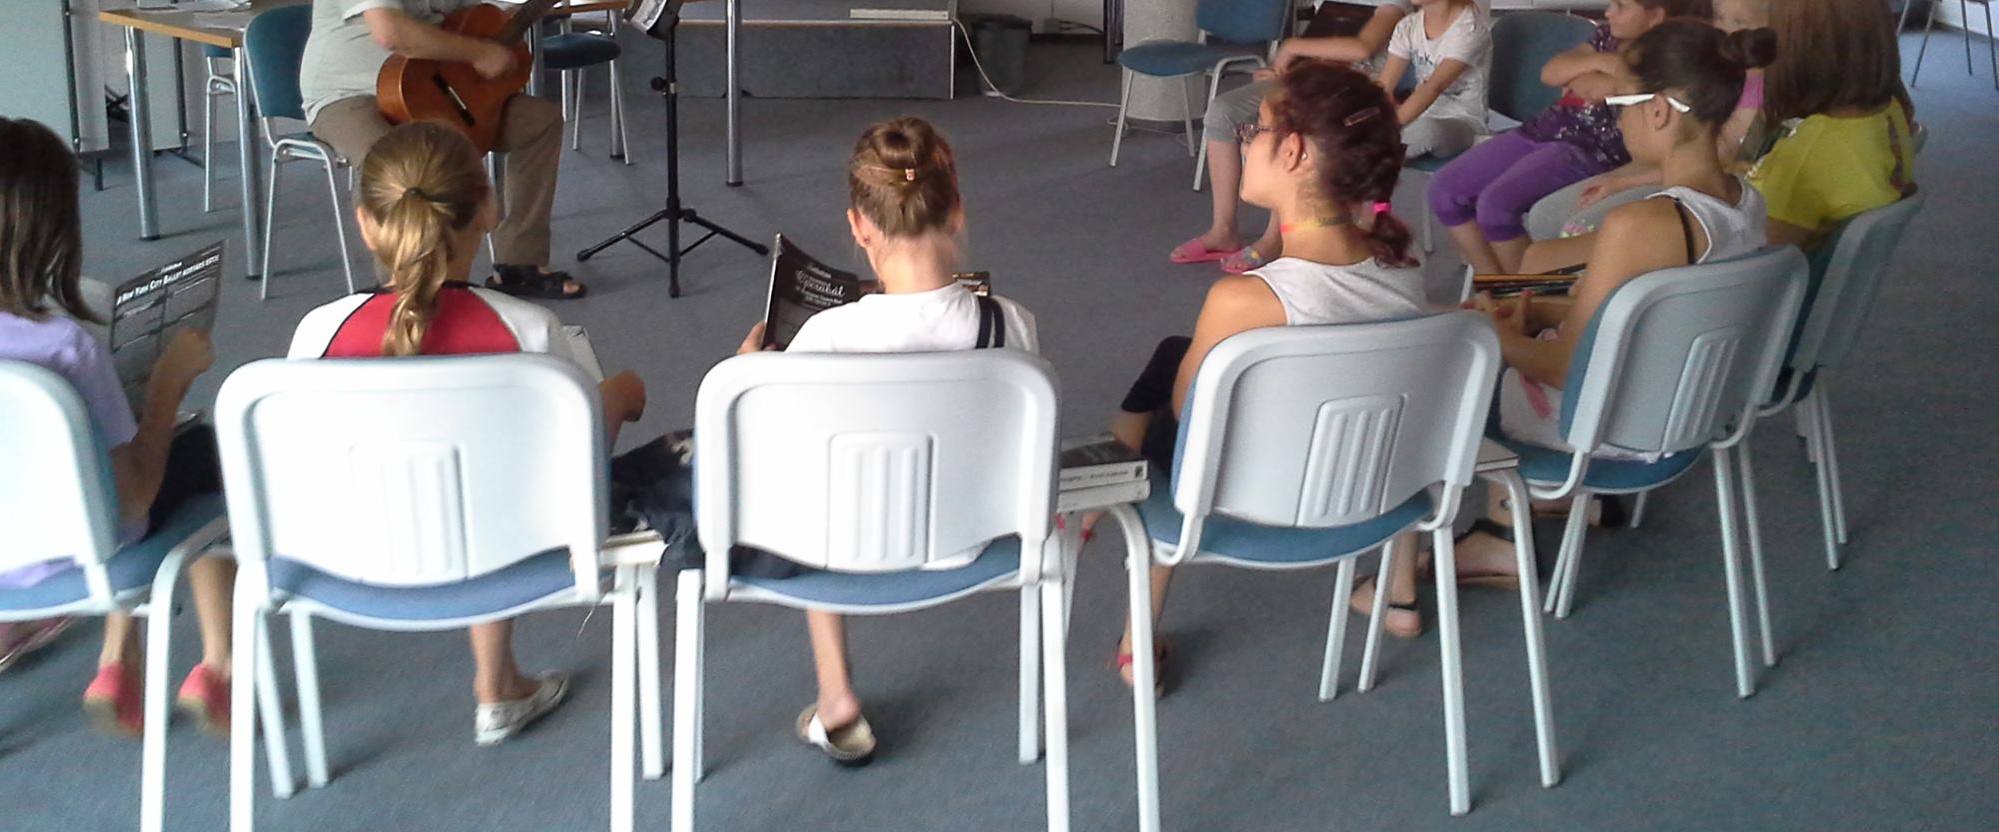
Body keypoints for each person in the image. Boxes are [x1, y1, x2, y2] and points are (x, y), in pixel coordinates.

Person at [1357, 19, 1774, 620]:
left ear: (1659, 112)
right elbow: (1553, 267)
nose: (1614, 119)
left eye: (1619, 105)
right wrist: (1515, 302)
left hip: (1604, 422)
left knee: (1428, 358)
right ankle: (1506, 522)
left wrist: (1495, 332)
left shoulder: (1642, 224)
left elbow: (1564, 367)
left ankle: (1402, 587)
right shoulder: (1741, 202)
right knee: (1481, 307)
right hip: (1678, 406)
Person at [287, 121, 648, 746]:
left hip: (350, 558)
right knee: (500, 474)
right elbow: (577, 463)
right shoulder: (528, 329)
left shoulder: (317, 334)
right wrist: (622, 395)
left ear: (366, 224)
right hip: (506, 549)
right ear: (489, 208)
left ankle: (500, 680)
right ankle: (496, 681)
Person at [724, 117, 1036, 767]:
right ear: (956, 210)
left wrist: (748, 372)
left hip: (837, 544)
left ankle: (835, 693)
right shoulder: (1010, 323)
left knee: (808, 477)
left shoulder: (825, 337)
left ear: (859, 227)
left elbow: (761, 449)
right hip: (965, 537)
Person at [1107, 62, 1425, 681]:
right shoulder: (1405, 268)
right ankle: (1400, 590)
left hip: (1251, 494)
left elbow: (1188, 414)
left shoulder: (1244, 300)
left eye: (1256, 130)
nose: (1247, 139)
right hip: (1373, 483)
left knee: (1172, 384)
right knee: (1178, 352)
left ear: (1295, 152)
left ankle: (1136, 628)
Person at [0, 118, 235, 736]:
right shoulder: (62, 348)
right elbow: (132, 498)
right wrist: (166, 388)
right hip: (76, 552)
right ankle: (219, 667)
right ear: (56, 229)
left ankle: (119, 661)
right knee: (208, 457)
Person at [299, 0, 587, 300]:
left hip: (427, 90)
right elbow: (391, 32)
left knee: (539, 120)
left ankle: (520, 263)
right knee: (392, 156)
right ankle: (400, 290)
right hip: (348, 94)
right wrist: (476, 54)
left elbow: (479, 28)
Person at [1430, 0, 1711, 276]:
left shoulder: (1666, 58)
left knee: (1496, 205)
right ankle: (1491, 285)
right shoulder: (1607, 38)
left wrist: (1591, 76)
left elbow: (1606, 87)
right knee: (1444, 189)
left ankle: (1523, 294)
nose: (1608, 13)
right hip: (1545, 130)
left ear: (1655, 16)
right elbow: (1552, 72)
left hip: (1589, 150)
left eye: (1620, 6)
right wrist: (1604, 64)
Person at [1174, 0, 1410, 274]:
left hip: (1354, 91)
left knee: (1287, 122)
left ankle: (1274, 237)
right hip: (1311, 80)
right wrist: (1282, 67)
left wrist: (1293, 47)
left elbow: (1363, 47)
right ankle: (1224, 229)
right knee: (1223, 111)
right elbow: (1319, 46)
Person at [1539, 0, 1772, 238]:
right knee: (1548, 218)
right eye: (1720, 16)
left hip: (1674, 192)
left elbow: (1715, 157)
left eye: (1739, 21)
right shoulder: (1706, 71)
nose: (1724, 28)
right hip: (1666, 178)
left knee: (1563, 231)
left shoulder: (1747, 91)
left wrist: (1623, 182)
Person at [1746, 0, 1916, 247]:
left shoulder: (1805, 159)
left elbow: (1759, 259)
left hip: (1791, 273)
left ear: (1798, 42)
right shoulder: (1890, 109)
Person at [1377, 0, 1493, 160]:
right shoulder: (1407, 26)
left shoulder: (1469, 28)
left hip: (1461, 123)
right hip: (1419, 114)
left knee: (1426, 131)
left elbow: (1434, 87)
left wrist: (1387, 129)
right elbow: (1384, 85)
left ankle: (1373, 157)